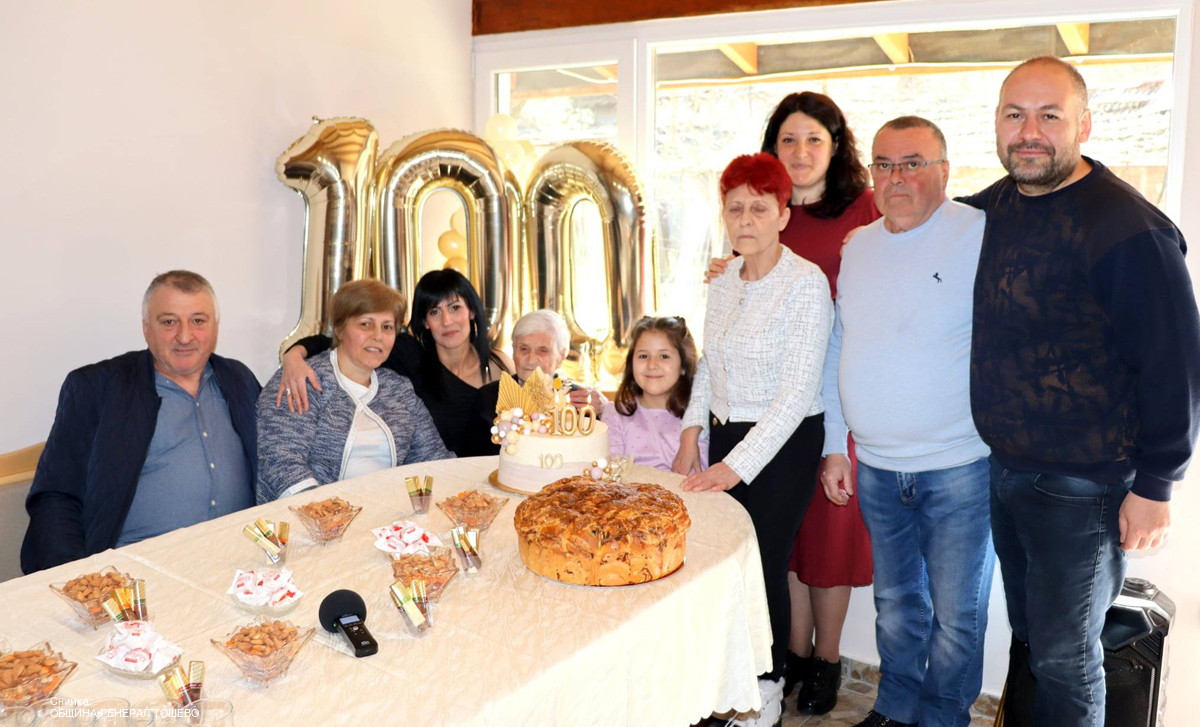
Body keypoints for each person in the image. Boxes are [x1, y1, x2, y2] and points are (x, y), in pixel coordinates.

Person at [965, 56, 1200, 727]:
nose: (1029, 132)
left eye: (1049, 115)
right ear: (997, 123)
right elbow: (921, 223)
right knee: (1034, 643)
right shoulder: (998, 204)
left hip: (1083, 488)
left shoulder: (1126, 228)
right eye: (1015, 115)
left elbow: (1175, 363)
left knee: (1066, 661)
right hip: (1007, 469)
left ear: (1084, 125)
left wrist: (1157, 484)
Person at [706, 92, 877, 712]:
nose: (800, 151)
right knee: (784, 551)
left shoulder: (865, 210)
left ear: (836, 145)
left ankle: (824, 660)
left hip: (829, 398)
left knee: (825, 543)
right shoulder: (758, 217)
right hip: (766, 400)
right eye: (788, 139)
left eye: (814, 139)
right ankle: (791, 657)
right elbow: (723, 336)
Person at [825, 117, 993, 727]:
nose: (896, 177)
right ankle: (894, 710)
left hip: (960, 466)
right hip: (875, 466)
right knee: (895, 606)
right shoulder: (857, 247)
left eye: (912, 163)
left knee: (958, 616)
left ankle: (944, 718)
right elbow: (839, 345)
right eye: (884, 164)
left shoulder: (980, 233)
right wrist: (835, 445)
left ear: (945, 171)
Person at [676, 152, 833, 727]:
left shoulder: (805, 284)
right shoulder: (723, 280)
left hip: (784, 442)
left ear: (783, 215)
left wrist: (734, 468)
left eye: (759, 208)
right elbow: (708, 365)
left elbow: (796, 395)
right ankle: (728, 685)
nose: (745, 220)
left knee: (761, 565)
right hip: (726, 433)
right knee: (723, 563)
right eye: (735, 208)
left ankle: (767, 690)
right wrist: (691, 433)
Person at [21, 271, 260, 573]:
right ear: (146, 328)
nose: (185, 336)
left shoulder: (239, 379)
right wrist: (76, 576)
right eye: (169, 322)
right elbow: (57, 496)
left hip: (240, 563)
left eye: (198, 321)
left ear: (215, 327)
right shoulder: (97, 388)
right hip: (139, 575)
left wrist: (298, 353)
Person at [278, 270, 512, 457]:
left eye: (455, 308)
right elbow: (342, 340)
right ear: (425, 322)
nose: (447, 321)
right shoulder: (410, 355)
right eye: (435, 312)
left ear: (471, 312)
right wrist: (293, 356)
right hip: (432, 475)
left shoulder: (500, 365)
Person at [256, 279, 451, 503]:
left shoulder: (399, 389)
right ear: (339, 329)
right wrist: (330, 515)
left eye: (387, 327)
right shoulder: (302, 380)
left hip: (384, 513)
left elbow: (434, 458)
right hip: (309, 515)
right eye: (365, 324)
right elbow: (280, 462)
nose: (378, 335)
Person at [475, 309, 608, 449]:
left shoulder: (579, 400)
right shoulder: (487, 398)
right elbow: (473, 456)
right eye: (524, 348)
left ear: (561, 356)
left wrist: (604, 411)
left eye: (543, 350)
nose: (531, 360)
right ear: (513, 351)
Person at [602, 315, 708, 471]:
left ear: (683, 365)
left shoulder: (697, 419)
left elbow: (699, 476)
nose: (652, 365)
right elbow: (611, 474)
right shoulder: (615, 414)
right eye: (643, 356)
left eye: (664, 356)